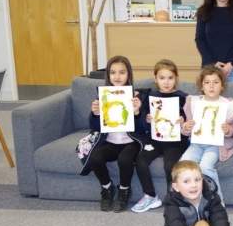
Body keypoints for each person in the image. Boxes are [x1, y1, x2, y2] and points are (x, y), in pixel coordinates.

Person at [79, 56, 144, 212]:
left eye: (122, 72)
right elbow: (94, 127)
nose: (117, 76)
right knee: (95, 158)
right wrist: (95, 114)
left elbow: (143, 129)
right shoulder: (102, 97)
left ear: (129, 74)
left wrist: (137, 113)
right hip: (109, 141)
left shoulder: (137, 96)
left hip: (130, 142)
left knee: (125, 159)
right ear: (108, 75)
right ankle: (107, 188)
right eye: (113, 72)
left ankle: (124, 190)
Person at [133, 59, 188, 213]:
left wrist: (184, 120)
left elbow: (190, 122)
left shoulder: (183, 98)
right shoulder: (150, 97)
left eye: (170, 78)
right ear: (155, 79)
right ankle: (150, 196)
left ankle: (174, 198)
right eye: (162, 78)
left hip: (175, 141)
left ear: (176, 78)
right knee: (140, 161)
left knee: (170, 166)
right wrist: (147, 119)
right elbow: (142, 125)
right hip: (155, 140)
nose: (166, 82)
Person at [180, 66, 233, 202]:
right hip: (196, 144)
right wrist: (186, 127)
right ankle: (188, 201)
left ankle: (217, 201)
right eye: (207, 82)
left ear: (222, 86)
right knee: (184, 165)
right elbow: (186, 128)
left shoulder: (228, 105)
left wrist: (228, 130)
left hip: (214, 145)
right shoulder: (195, 103)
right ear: (202, 86)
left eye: (215, 82)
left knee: (205, 167)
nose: (211, 86)